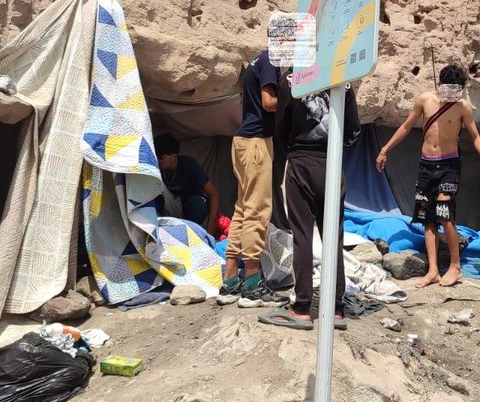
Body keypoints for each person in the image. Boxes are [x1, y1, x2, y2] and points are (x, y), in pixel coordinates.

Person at [375, 64, 480, 288]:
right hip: (426, 167)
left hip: (449, 166)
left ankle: (455, 266)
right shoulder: (425, 100)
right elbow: (405, 126)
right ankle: (433, 270)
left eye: (456, 90)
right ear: (440, 85)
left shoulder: (463, 107)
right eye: (449, 89)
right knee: (426, 217)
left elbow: (476, 136)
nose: (452, 94)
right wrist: (385, 150)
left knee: (444, 211)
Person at [259, 79, 361, 330]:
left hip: (300, 163)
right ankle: (336, 309)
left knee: (302, 236)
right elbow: (353, 131)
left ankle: (302, 306)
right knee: (333, 237)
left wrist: (295, 151)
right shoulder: (343, 79)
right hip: (332, 163)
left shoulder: (293, 79)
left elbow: (280, 128)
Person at [221, 49, 279, 307]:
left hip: (243, 141)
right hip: (256, 142)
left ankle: (231, 280)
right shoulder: (270, 61)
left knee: (243, 209)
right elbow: (269, 102)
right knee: (258, 209)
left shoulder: (257, 59)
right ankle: (253, 282)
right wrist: (295, 96)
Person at [153, 133, 219, 236]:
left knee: (198, 204)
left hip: (189, 210)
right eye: (156, 157)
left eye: (161, 157)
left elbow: (213, 194)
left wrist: (210, 228)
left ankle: (192, 231)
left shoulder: (189, 165)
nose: (158, 161)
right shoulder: (155, 168)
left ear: (174, 156)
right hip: (167, 210)